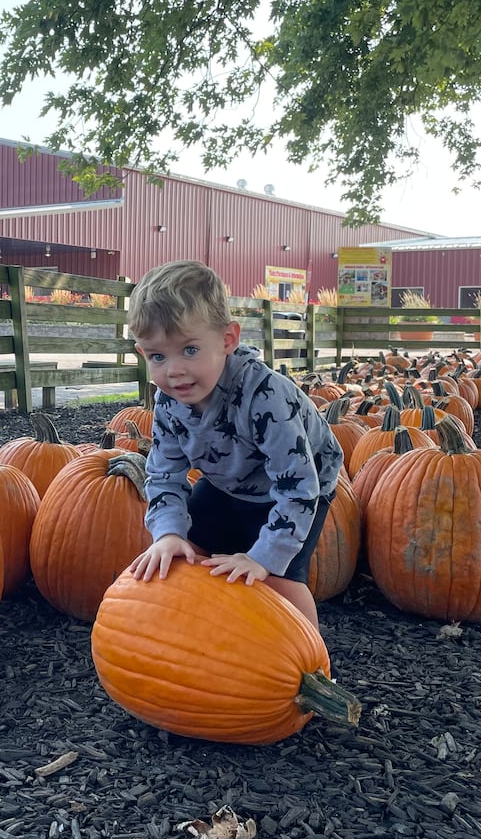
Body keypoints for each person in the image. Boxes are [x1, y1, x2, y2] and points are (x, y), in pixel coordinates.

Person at [125, 260, 344, 629]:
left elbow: (298, 486)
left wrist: (262, 559)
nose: (174, 370)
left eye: (189, 350)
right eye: (157, 356)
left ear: (227, 339)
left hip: (299, 487)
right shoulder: (168, 401)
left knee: (279, 580)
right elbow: (163, 474)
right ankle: (206, 640)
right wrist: (169, 534)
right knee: (181, 556)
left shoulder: (266, 396)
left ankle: (312, 664)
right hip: (227, 480)